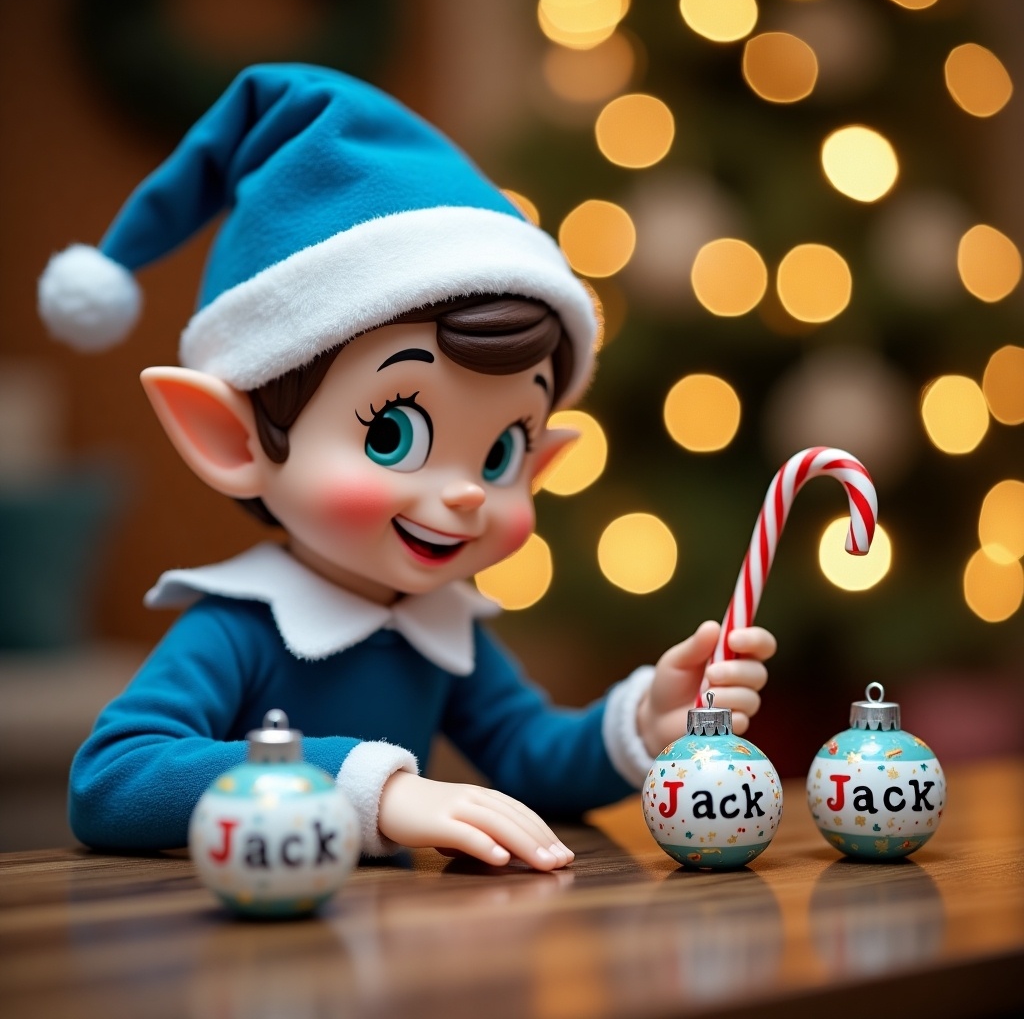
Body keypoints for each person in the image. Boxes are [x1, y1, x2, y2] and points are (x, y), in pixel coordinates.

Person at [39, 64, 774, 870]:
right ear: (232, 437)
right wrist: (371, 790)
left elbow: (529, 756)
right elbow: (111, 780)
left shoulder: (437, 624)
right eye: (393, 433)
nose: (463, 492)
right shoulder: (242, 627)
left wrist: (642, 724)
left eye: (500, 455)